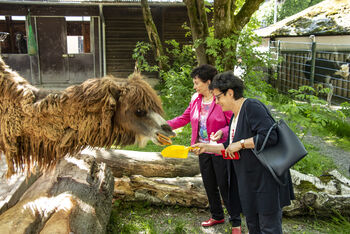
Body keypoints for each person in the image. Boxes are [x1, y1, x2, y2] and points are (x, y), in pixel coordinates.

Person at [192, 71, 295, 234]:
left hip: (265, 182)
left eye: (218, 97)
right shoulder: (235, 116)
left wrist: (241, 144)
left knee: (269, 228)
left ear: (230, 93)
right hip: (249, 183)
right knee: (253, 227)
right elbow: (229, 145)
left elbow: (270, 136)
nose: (216, 102)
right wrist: (206, 147)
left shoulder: (252, 106)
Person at [167, 65, 241, 232]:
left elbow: (235, 124)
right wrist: (165, 126)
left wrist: (221, 132)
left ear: (208, 82)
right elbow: (185, 117)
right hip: (201, 149)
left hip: (220, 149)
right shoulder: (195, 98)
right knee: (209, 184)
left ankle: (236, 222)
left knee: (225, 186)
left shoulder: (221, 99)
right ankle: (217, 216)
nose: (194, 86)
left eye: (197, 83)